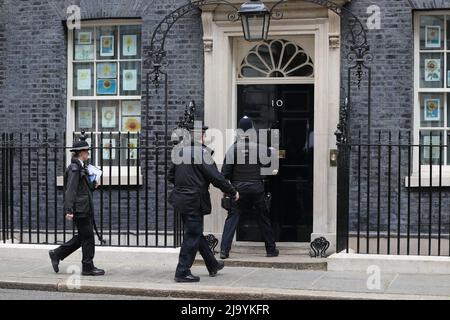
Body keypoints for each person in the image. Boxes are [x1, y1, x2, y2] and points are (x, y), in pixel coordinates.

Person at [168, 123, 239, 283]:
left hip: (181, 199)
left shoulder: (179, 152)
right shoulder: (202, 153)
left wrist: (184, 184)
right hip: (194, 200)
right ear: (201, 136)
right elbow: (216, 177)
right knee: (192, 234)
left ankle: (212, 264)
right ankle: (182, 271)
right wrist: (232, 191)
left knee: (195, 232)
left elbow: (170, 176)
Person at [220, 116, 278, 259]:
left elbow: (224, 173)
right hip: (256, 188)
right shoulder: (260, 148)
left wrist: (228, 190)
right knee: (263, 218)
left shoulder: (232, 150)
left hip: (238, 189)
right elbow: (271, 167)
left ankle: (224, 250)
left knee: (232, 218)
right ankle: (270, 249)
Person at [48, 136, 105, 276]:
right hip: (80, 210)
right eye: (87, 151)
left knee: (83, 236)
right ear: (81, 152)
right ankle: (87, 267)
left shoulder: (81, 167)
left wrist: (94, 184)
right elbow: (70, 190)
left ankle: (57, 253)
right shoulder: (74, 168)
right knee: (88, 237)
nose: (88, 154)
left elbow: (83, 188)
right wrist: (69, 210)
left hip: (83, 207)